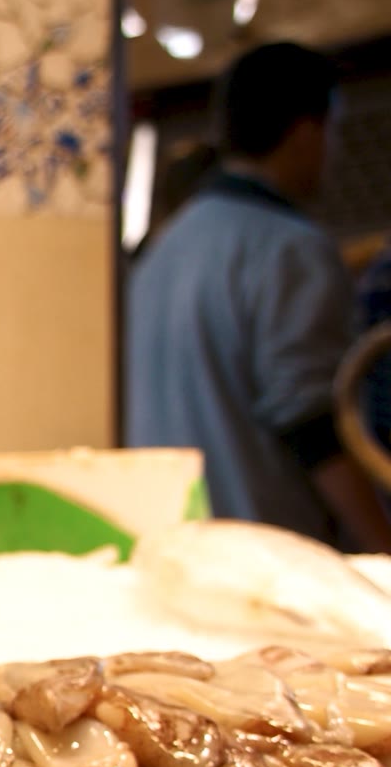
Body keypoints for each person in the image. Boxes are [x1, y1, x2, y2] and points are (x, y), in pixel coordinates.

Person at [125, 41, 391, 551]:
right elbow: (314, 426)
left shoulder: (160, 253)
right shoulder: (290, 248)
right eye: (332, 130)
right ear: (306, 131)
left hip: (169, 550)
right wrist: (383, 542)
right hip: (267, 559)